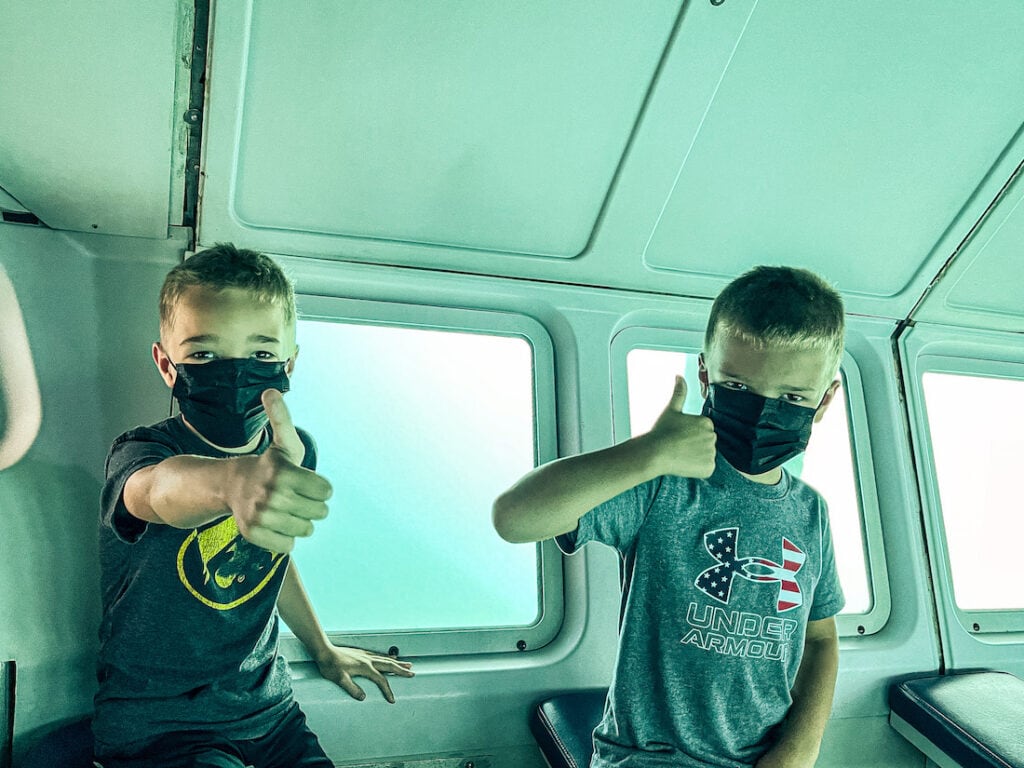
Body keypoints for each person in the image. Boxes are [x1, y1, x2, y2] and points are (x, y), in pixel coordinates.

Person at [493, 266, 845, 768]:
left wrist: (798, 750)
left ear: (825, 400)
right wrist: (648, 455)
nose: (764, 413)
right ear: (706, 375)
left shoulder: (811, 514)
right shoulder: (661, 485)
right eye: (739, 387)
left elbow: (820, 637)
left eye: (792, 398)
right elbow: (514, 518)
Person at [94, 243, 414, 767]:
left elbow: (270, 557)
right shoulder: (143, 450)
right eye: (203, 354)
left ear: (290, 363)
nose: (236, 371)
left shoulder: (294, 450)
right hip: (158, 728)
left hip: (270, 718)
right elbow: (154, 491)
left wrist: (321, 646)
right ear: (166, 364)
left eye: (262, 355)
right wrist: (228, 482)